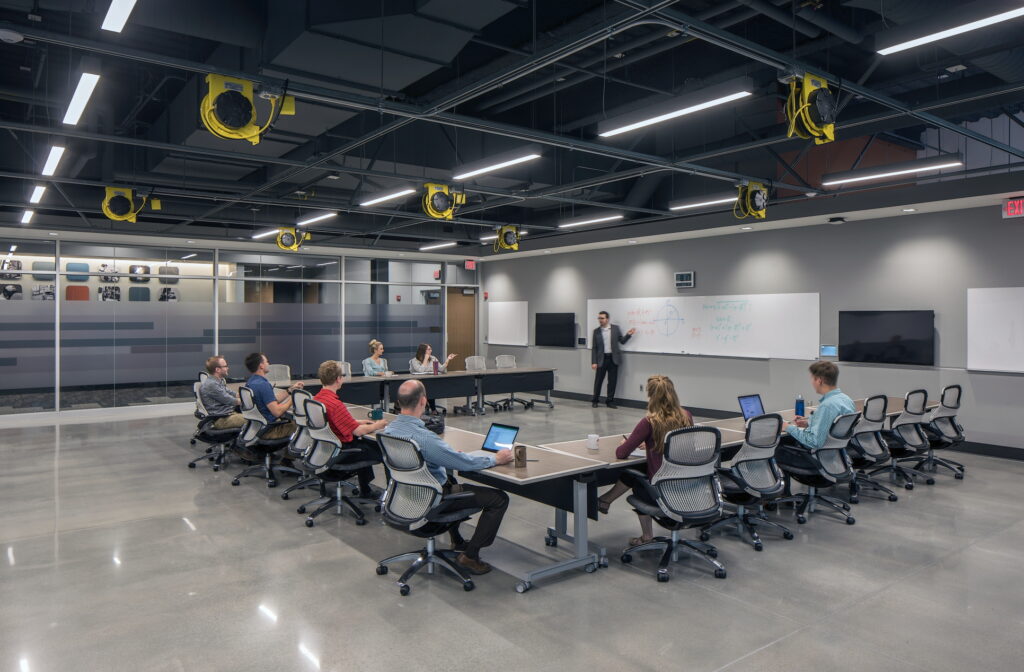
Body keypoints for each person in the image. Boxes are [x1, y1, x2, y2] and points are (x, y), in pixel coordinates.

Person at [381, 379, 513, 576]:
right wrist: (496, 459)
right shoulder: (425, 438)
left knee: (451, 481)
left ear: (398, 402)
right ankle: (470, 556)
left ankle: (457, 541)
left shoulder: (390, 430)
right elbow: (464, 464)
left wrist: (448, 456)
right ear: (423, 401)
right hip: (430, 500)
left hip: (404, 497)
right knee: (499, 499)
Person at [595, 375, 694, 546]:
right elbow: (674, 443)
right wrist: (650, 443)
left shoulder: (649, 421)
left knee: (637, 480)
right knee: (638, 471)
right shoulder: (686, 416)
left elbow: (621, 453)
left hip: (660, 490)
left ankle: (646, 536)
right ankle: (605, 500)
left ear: (651, 397)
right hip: (686, 486)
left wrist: (627, 443)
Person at [312, 360, 389, 500]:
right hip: (343, 453)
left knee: (365, 444)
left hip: (326, 451)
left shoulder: (317, 399)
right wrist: (377, 425)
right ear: (338, 379)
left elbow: (336, 422)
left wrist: (356, 422)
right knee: (385, 450)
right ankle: (391, 497)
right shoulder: (336, 404)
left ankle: (366, 490)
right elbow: (358, 431)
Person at [775, 361, 856, 473]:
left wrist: (787, 427)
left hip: (818, 459)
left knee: (779, 447)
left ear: (819, 380)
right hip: (836, 456)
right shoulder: (846, 399)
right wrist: (809, 423)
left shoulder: (827, 406)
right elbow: (834, 426)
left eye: (812, 379)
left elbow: (814, 442)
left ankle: (779, 484)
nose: (811, 382)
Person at [244, 352, 304, 440]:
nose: (269, 364)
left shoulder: (251, 382)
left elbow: (270, 401)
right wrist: (293, 399)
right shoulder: (263, 385)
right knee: (301, 427)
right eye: (267, 362)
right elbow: (277, 412)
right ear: (261, 366)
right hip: (269, 430)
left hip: (256, 428)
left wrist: (290, 390)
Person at [591, 311, 636, 408]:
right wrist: (594, 362)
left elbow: (622, 341)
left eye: (602, 318)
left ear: (607, 319)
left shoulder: (615, 329)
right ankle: (595, 400)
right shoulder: (596, 331)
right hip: (601, 359)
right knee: (598, 381)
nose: (600, 320)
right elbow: (594, 348)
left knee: (612, 381)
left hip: (613, 359)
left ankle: (609, 401)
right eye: (599, 318)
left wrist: (628, 335)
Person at [409, 343, 457, 413]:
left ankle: (432, 409)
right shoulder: (414, 360)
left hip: (431, 381)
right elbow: (421, 370)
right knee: (428, 389)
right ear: (423, 350)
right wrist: (425, 359)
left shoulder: (433, 358)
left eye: (431, 349)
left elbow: (441, 369)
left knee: (431, 389)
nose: (431, 350)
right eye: (429, 349)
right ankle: (432, 409)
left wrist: (448, 359)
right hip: (418, 383)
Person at [199, 355, 244, 429]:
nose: (228, 368)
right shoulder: (212, 384)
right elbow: (231, 400)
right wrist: (249, 400)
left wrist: (246, 395)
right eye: (225, 366)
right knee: (252, 419)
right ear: (218, 369)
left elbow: (232, 393)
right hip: (221, 419)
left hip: (227, 413)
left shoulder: (218, 381)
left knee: (249, 414)